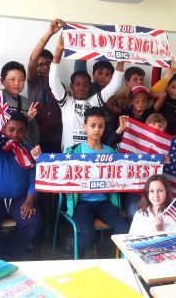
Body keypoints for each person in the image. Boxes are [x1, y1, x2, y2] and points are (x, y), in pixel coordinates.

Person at [62, 107, 129, 257]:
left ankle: (102, 253)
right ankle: (75, 249)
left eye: (100, 126)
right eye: (92, 126)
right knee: (88, 233)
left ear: (104, 127)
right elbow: (57, 172)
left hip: (103, 202)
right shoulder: (72, 152)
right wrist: (38, 159)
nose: (97, 130)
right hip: (81, 203)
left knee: (124, 230)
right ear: (84, 126)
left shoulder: (111, 153)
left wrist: (158, 161)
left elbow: (127, 171)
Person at [49, 25, 124, 151]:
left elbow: (115, 84)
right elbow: (53, 81)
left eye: (85, 85)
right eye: (78, 84)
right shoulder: (66, 102)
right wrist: (58, 50)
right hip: (70, 155)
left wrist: (121, 58)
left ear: (90, 87)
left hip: (92, 155)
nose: (81, 87)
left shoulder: (94, 102)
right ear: (72, 86)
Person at [0, 111, 41, 261]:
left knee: (33, 222)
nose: (15, 134)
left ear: (25, 131)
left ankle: (9, 255)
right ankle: (6, 250)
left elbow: (34, 178)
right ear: (4, 129)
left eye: (21, 131)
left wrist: (29, 201)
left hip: (19, 200)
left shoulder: (29, 150)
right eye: (11, 130)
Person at [27, 18, 63, 154]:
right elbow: (32, 60)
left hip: (57, 138)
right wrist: (50, 33)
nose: (45, 67)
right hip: (35, 137)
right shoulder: (33, 82)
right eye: (41, 64)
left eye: (48, 63)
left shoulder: (60, 84)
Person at [0, 61, 40, 147]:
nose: (17, 83)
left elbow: (34, 130)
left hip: (25, 149)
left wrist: (34, 146)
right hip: (3, 149)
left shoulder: (27, 103)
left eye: (21, 80)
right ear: (2, 80)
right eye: (12, 79)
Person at [158, 73, 176, 139]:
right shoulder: (160, 98)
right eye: (173, 87)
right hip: (155, 135)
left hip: (171, 139)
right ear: (167, 86)